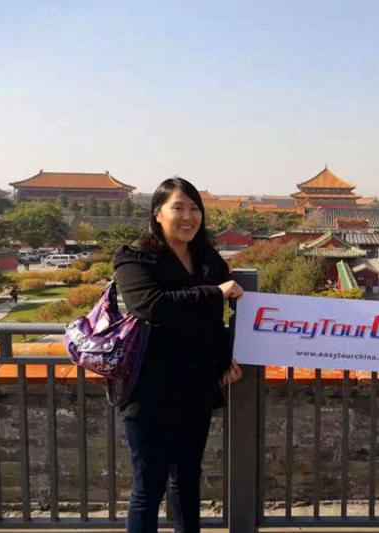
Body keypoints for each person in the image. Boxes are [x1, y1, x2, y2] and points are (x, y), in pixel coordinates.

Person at [113, 177, 244, 533]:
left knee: (187, 480)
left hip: (195, 387)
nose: (188, 216)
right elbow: (151, 307)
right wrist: (215, 293)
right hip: (149, 389)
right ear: (157, 213)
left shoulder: (208, 259)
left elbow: (212, 324)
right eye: (178, 207)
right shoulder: (134, 256)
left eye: (194, 208)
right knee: (148, 486)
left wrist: (224, 360)